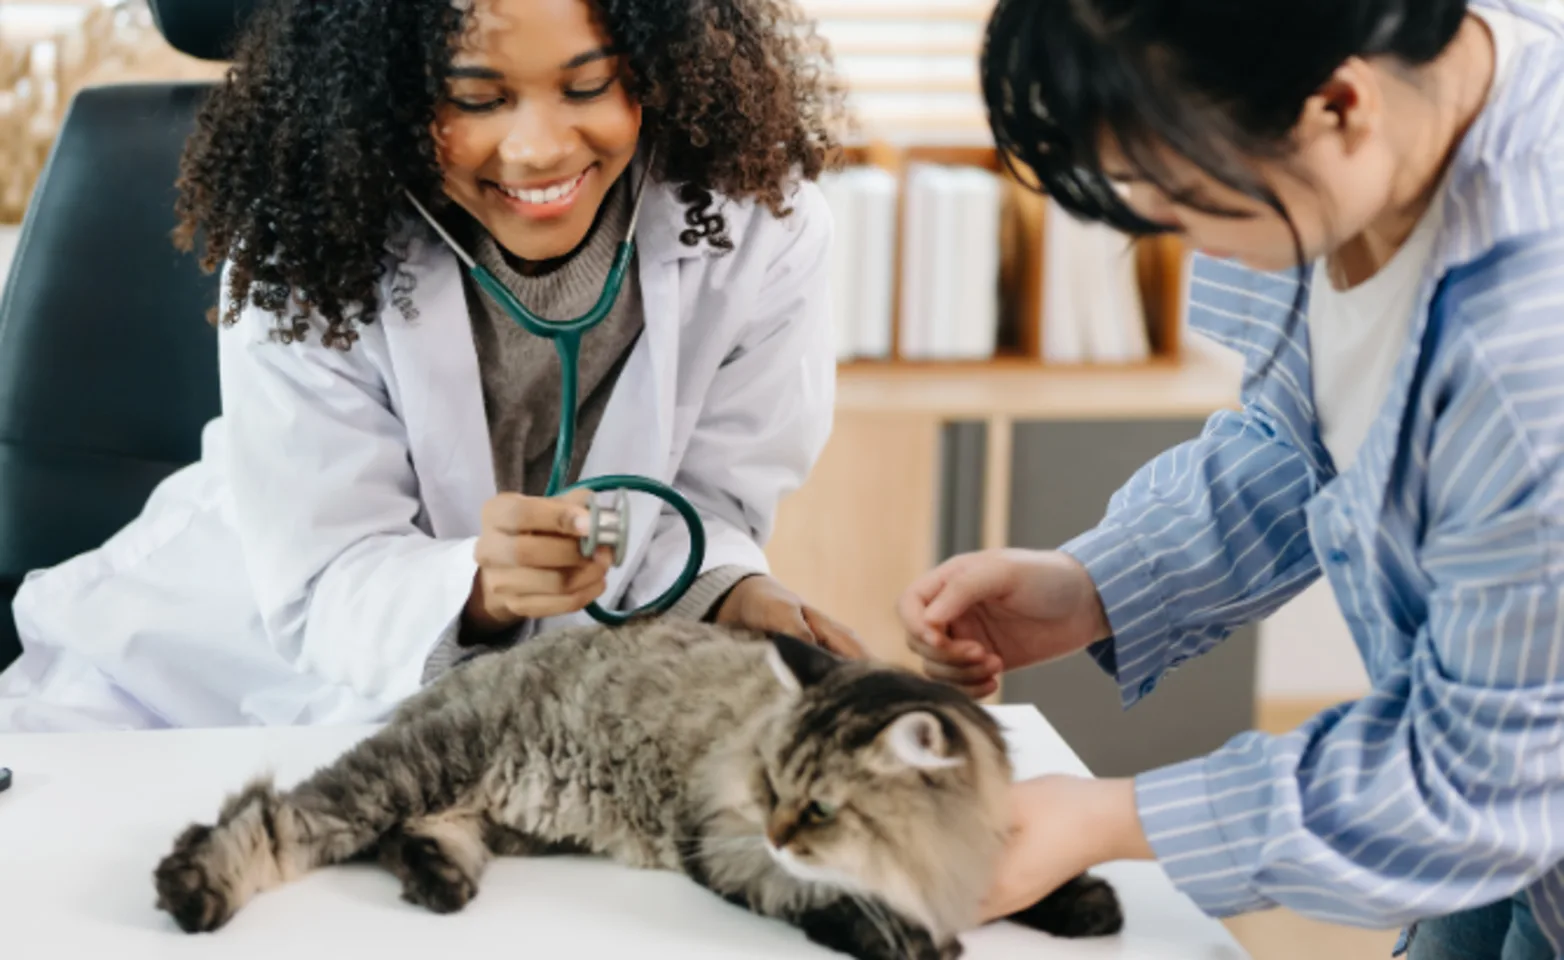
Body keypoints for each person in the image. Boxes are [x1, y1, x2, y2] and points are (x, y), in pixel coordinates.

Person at [901, 0, 1564, 957]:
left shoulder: (1530, 345)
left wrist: (1114, 820)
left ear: (1339, 106)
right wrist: (1098, 585)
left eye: (1185, 195)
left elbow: (1474, 779)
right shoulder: (1340, 116)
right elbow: (1308, 438)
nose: (1180, 239)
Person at [0, 0, 862, 732]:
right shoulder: (307, 244)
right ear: (393, 92)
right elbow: (327, 577)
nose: (538, 149)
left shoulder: (756, 225)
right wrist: (479, 590)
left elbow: (700, 504)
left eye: (588, 86)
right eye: (476, 99)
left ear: (657, 63)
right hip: (202, 683)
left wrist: (732, 594)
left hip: (525, 719)